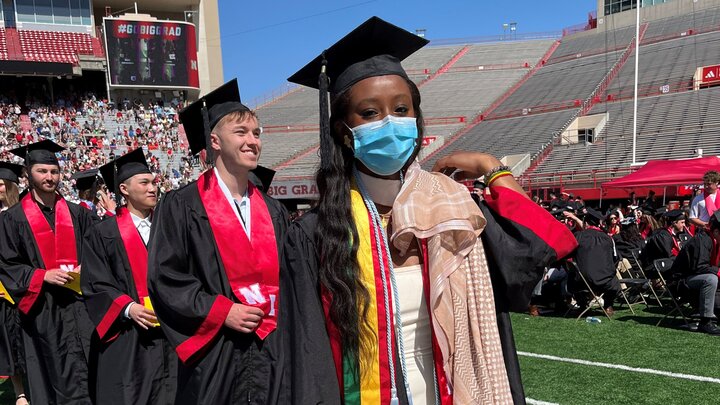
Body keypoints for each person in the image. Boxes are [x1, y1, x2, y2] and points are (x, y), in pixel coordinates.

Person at [282, 16, 577, 404]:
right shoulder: (315, 234)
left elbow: (543, 244)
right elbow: (306, 356)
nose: (390, 122)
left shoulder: (452, 210)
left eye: (401, 109)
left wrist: (493, 168)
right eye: (369, 113)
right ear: (343, 131)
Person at [147, 79, 289, 404]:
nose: (252, 141)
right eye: (241, 132)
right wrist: (220, 310)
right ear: (215, 140)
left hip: (270, 350)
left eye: (256, 133)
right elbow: (164, 276)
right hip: (215, 353)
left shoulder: (274, 211)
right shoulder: (182, 205)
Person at [0, 140, 97, 404]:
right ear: (27, 174)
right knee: (54, 371)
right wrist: (42, 275)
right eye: (42, 171)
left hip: (81, 306)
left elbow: (99, 251)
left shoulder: (80, 215)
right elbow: (6, 263)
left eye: (54, 171)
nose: (49, 177)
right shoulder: (12, 220)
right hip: (44, 309)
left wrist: (86, 267)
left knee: (92, 368)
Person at [81, 148, 177, 404]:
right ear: (124, 189)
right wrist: (128, 307)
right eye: (144, 183)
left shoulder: (170, 228)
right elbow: (95, 282)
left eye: (154, 183)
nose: (152, 188)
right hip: (128, 335)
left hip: (169, 332)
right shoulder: (103, 233)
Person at [0, 162, 28, 405]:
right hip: (3, 294)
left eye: (0, 183)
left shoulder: (22, 214)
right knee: (9, 342)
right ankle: (20, 391)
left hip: (23, 287)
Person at [670, 211, 720, 335]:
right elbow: (700, 267)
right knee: (711, 279)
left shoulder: (716, 240)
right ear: (716, 232)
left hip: (699, 278)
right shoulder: (702, 241)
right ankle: (705, 322)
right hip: (683, 281)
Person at [572, 207, 620, 316]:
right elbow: (615, 259)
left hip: (581, 281)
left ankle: (582, 304)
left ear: (586, 222)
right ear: (599, 223)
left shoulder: (578, 236)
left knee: (571, 274)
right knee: (615, 282)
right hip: (604, 281)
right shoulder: (608, 238)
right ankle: (608, 305)